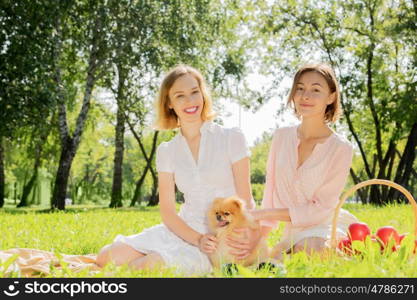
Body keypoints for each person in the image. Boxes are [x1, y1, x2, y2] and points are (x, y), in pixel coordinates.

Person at [95, 65, 255, 275]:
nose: (190, 101)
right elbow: (168, 213)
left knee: (148, 266)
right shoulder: (167, 151)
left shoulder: (231, 137)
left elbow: (246, 201)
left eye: (194, 92)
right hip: (183, 229)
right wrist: (196, 238)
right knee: (106, 256)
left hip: (218, 238)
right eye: (180, 96)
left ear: (202, 94)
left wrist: (230, 239)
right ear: (169, 103)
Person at [226, 63, 358, 260]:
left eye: (315, 90)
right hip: (293, 233)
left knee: (311, 250)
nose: (305, 96)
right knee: (268, 260)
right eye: (300, 88)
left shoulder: (341, 148)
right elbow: (270, 193)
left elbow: (321, 208)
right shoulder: (281, 137)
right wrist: (257, 240)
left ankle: (344, 254)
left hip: (326, 226)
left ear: (330, 97)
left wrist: (262, 214)